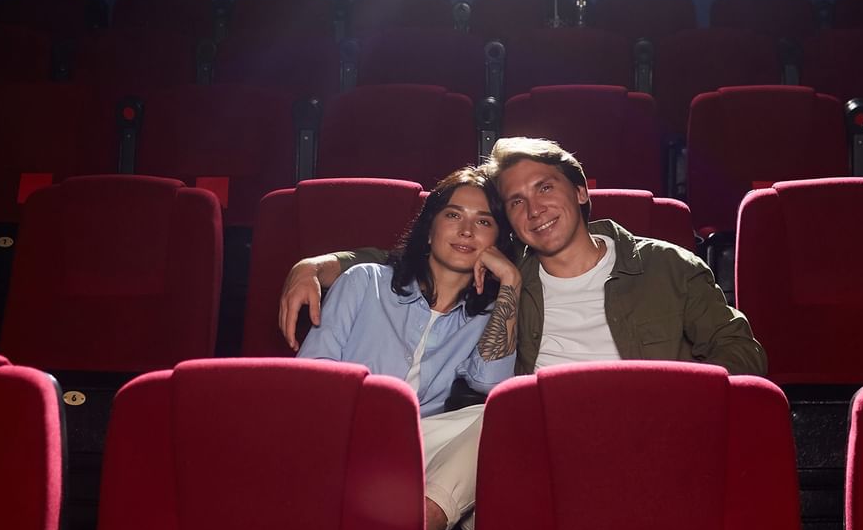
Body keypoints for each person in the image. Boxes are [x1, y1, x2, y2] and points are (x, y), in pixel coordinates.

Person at [282, 137, 767, 378]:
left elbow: (743, 352)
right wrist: (322, 264)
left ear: (580, 193)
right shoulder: (509, 275)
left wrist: (681, 396)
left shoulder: (667, 266)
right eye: (515, 202)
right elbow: (427, 253)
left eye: (545, 188)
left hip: (649, 427)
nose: (533, 210)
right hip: (548, 440)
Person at [296, 166, 520, 530]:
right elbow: (312, 376)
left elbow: (490, 381)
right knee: (486, 503)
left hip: (415, 446)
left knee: (503, 416)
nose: (466, 231)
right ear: (430, 230)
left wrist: (512, 282)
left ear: (497, 240)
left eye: (483, 221)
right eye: (453, 215)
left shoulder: (485, 315)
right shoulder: (364, 281)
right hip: (340, 434)